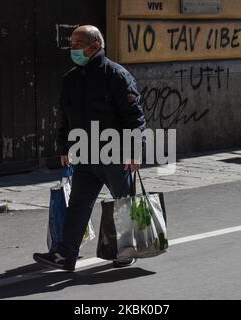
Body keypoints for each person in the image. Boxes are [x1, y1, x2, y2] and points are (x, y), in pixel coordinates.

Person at [33, 25, 147, 272]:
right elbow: (64, 117)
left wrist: (135, 151)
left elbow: (135, 118)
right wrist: (65, 147)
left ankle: (126, 251)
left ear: (94, 46)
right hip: (85, 155)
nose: (71, 48)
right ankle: (65, 255)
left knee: (124, 203)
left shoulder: (117, 76)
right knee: (78, 205)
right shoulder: (71, 79)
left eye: (77, 43)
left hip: (115, 154)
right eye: (71, 42)